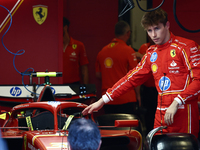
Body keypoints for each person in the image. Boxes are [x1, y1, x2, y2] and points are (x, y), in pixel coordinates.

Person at [82, 8, 200, 138]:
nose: (153, 35)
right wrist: (102, 100)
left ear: (167, 25)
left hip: (184, 113)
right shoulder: (151, 53)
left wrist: (177, 101)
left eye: (157, 28)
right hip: (161, 115)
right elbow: (131, 78)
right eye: (149, 30)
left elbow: (198, 81)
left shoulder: (186, 46)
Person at [95, 20, 141, 114]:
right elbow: (135, 77)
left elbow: (98, 74)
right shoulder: (129, 51)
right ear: (128, 33)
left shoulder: (102, 51)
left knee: (110, 127)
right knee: (126, 127)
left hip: (107, 98)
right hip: (126, 98)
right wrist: (138, 96)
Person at [137, 37, 158, 136]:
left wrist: (141, 56)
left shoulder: (163, 47)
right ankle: (149, 136)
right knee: (148, 115)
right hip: (147, 88)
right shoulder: (144, 47)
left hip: (160, 88)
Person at [63, 17, 89, 84]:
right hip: (57, 84)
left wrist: (85, 89)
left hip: (74, 84)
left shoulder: (79, 45)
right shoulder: (54, 46)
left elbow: (84, 69)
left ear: (65, 27)